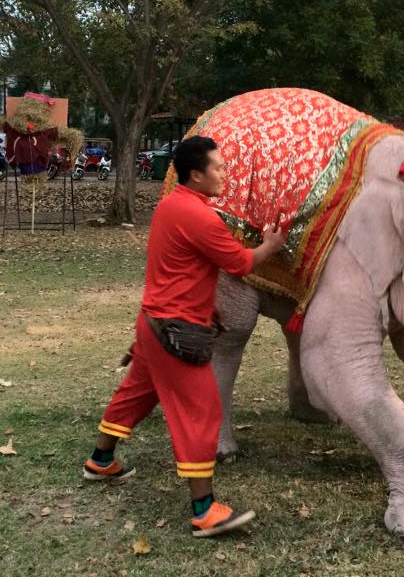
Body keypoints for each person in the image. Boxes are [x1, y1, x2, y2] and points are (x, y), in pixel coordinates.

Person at [82, 135, 286, 538]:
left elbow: (182, 270)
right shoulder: (200, 216)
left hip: (153, 324)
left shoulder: (171, 206)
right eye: (219, 168)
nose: (224, 174)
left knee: (136, 394)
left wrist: (208, 309)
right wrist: (271, 245)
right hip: (174, 332)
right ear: (197, 174)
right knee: (202, 410)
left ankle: (100, 461)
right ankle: (204, 510)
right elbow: (240, 263)